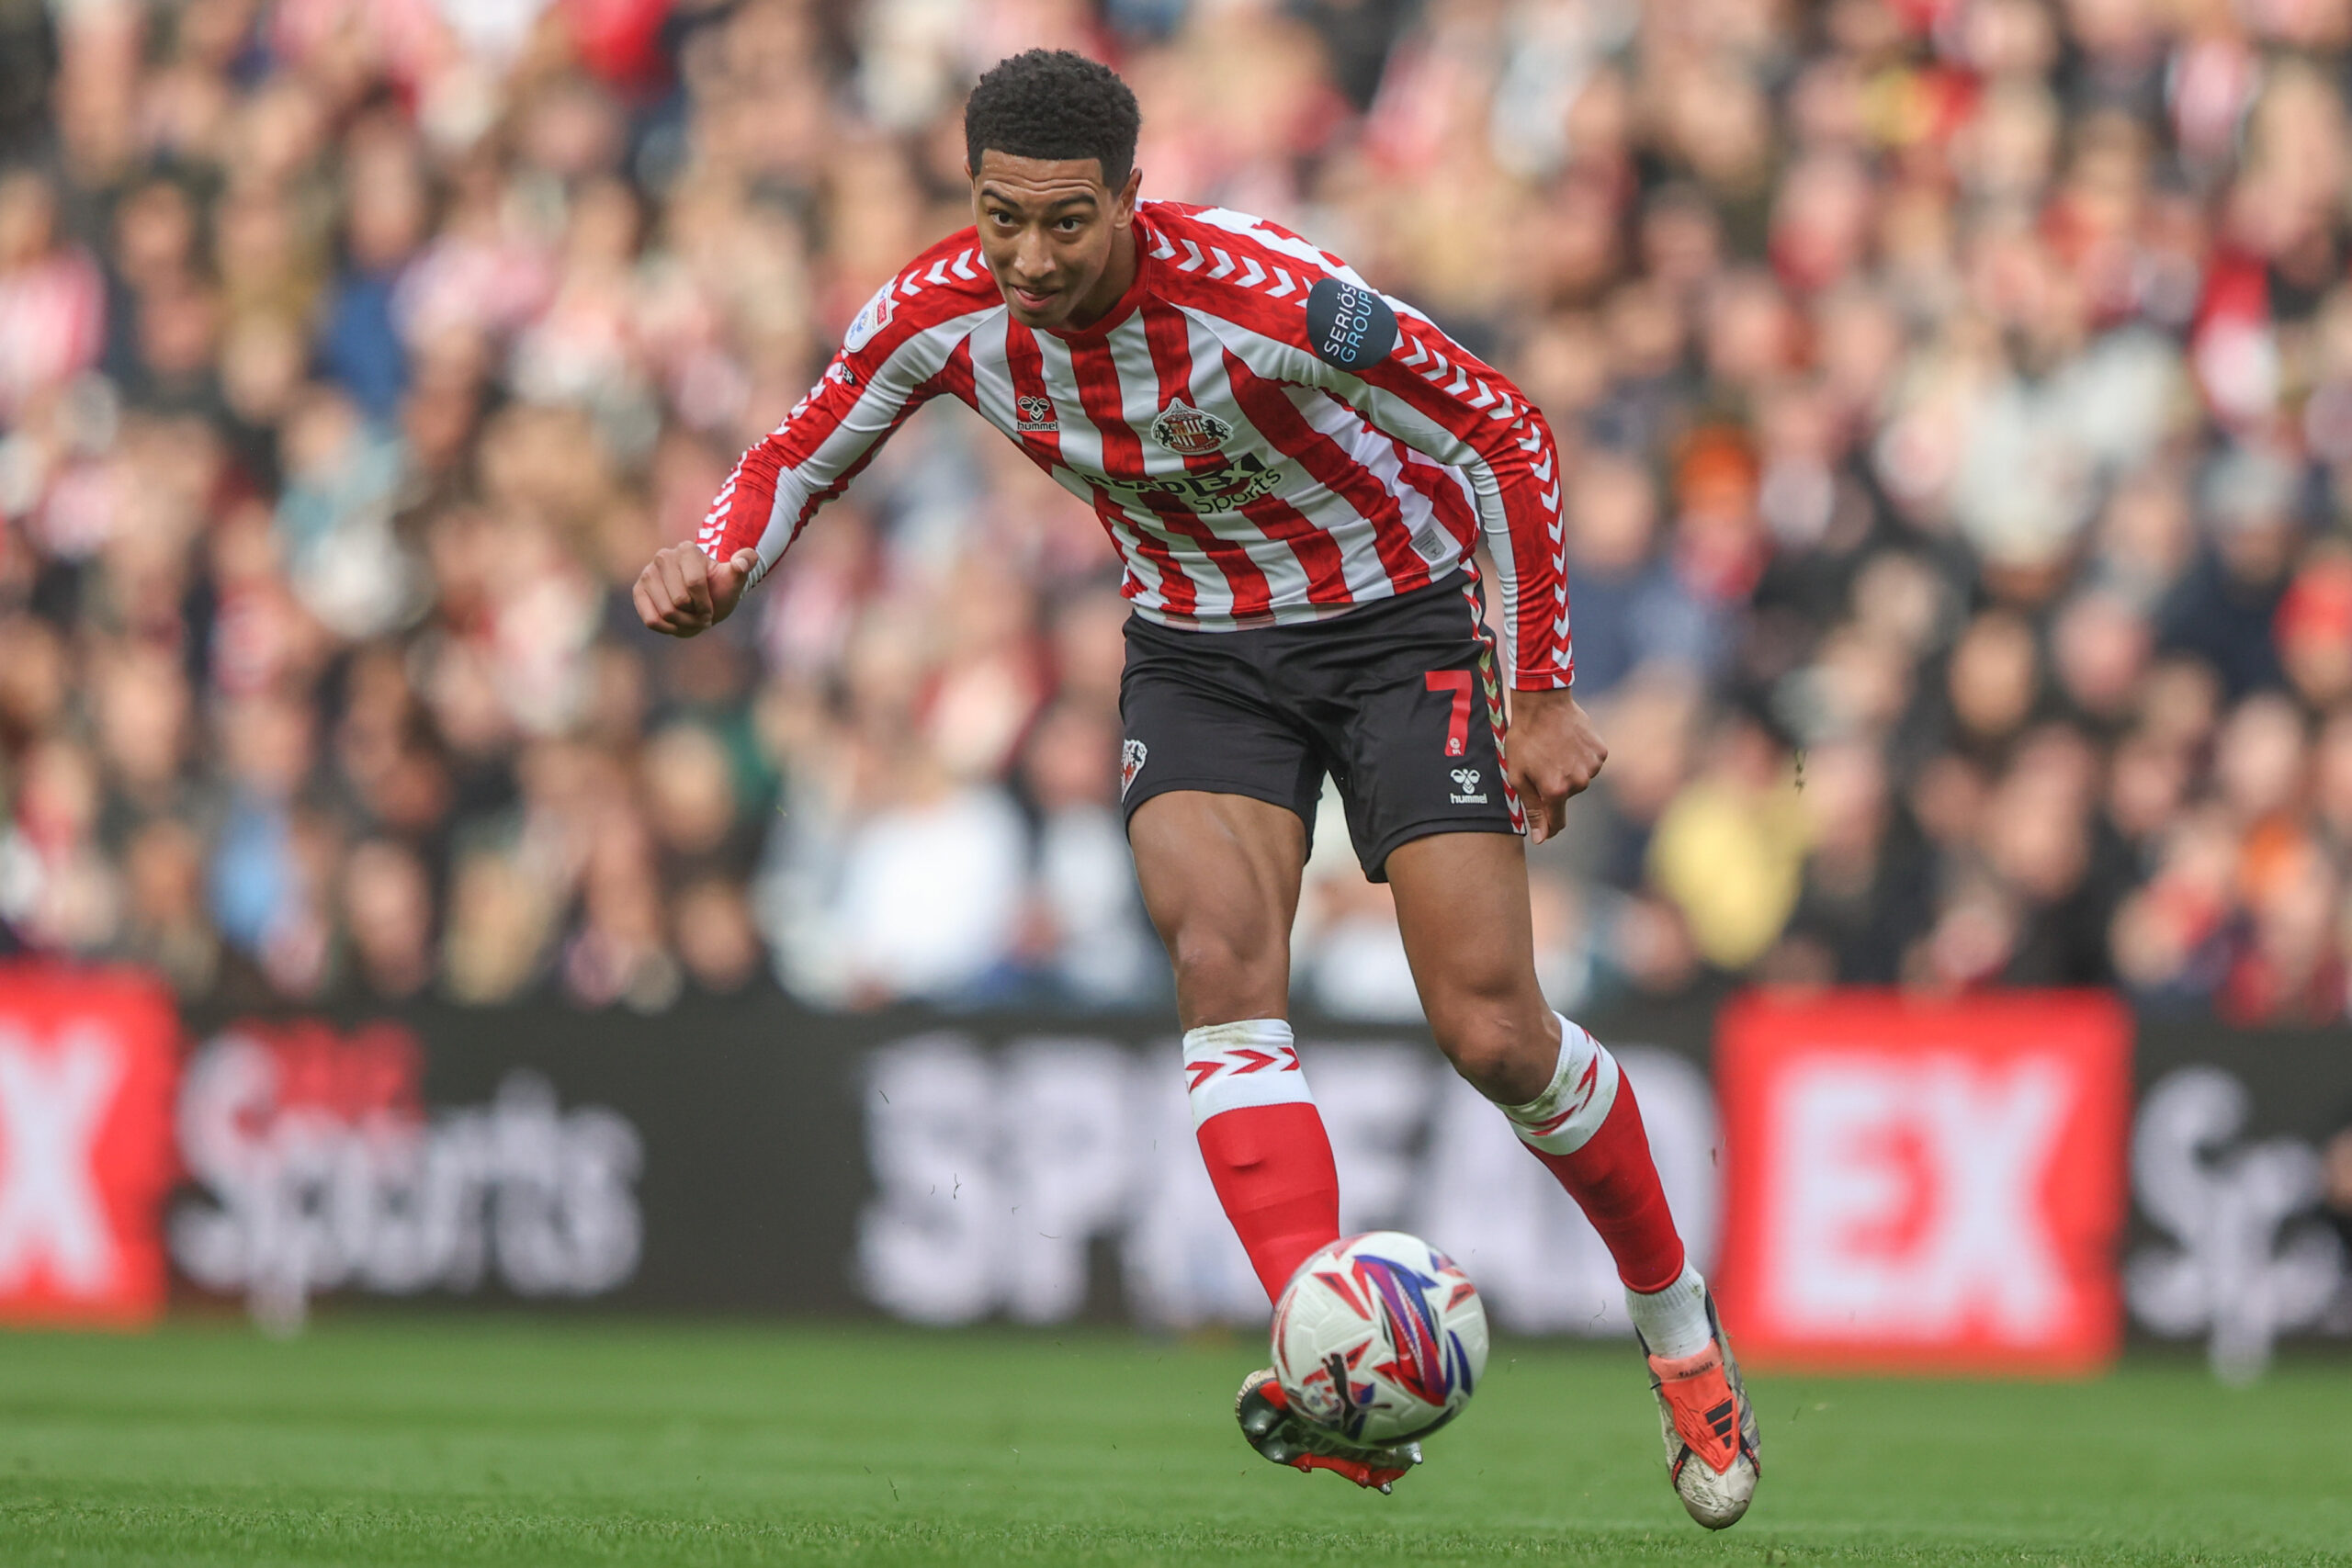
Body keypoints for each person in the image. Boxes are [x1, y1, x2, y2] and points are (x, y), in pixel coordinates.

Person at [634, 49, 1759, 1529]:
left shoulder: (1268, 298)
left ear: (1132, 202)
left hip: (1396, 624)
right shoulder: (939, 313)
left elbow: (1503, 429)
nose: (1029, 260)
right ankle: (1326, 1347)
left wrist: (1537, 683)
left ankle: (1681, 1339)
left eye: (1066, 224)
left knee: (1489, 1028)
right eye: (1000, 221)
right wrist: (725, 558)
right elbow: (797, 448)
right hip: (1197, 652)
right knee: (1220, 960)